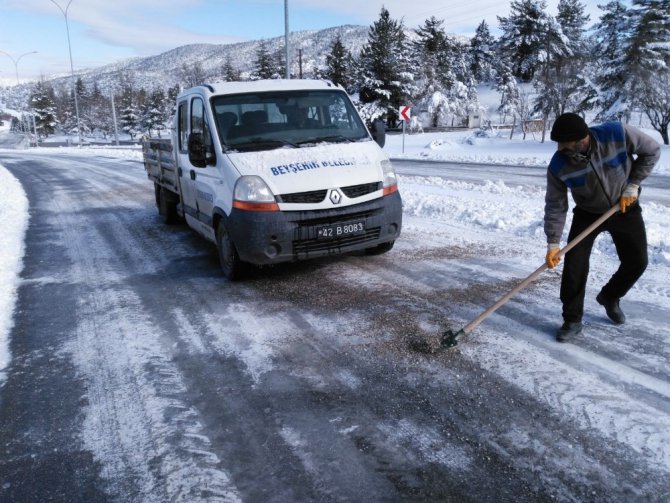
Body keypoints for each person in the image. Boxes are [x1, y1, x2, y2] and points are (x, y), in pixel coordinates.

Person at [544, 113, 660, 342]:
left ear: (581, 139)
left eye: (564, 143)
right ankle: (572, 320)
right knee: (574, 266)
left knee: (637, 261)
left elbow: (652, 150)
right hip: (587, 213)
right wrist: (553, 243)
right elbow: (556, 204)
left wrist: (633, 184)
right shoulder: (559, 165)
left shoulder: (616, 133)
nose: (560, 148)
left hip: (624, 206)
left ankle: (610, 296)